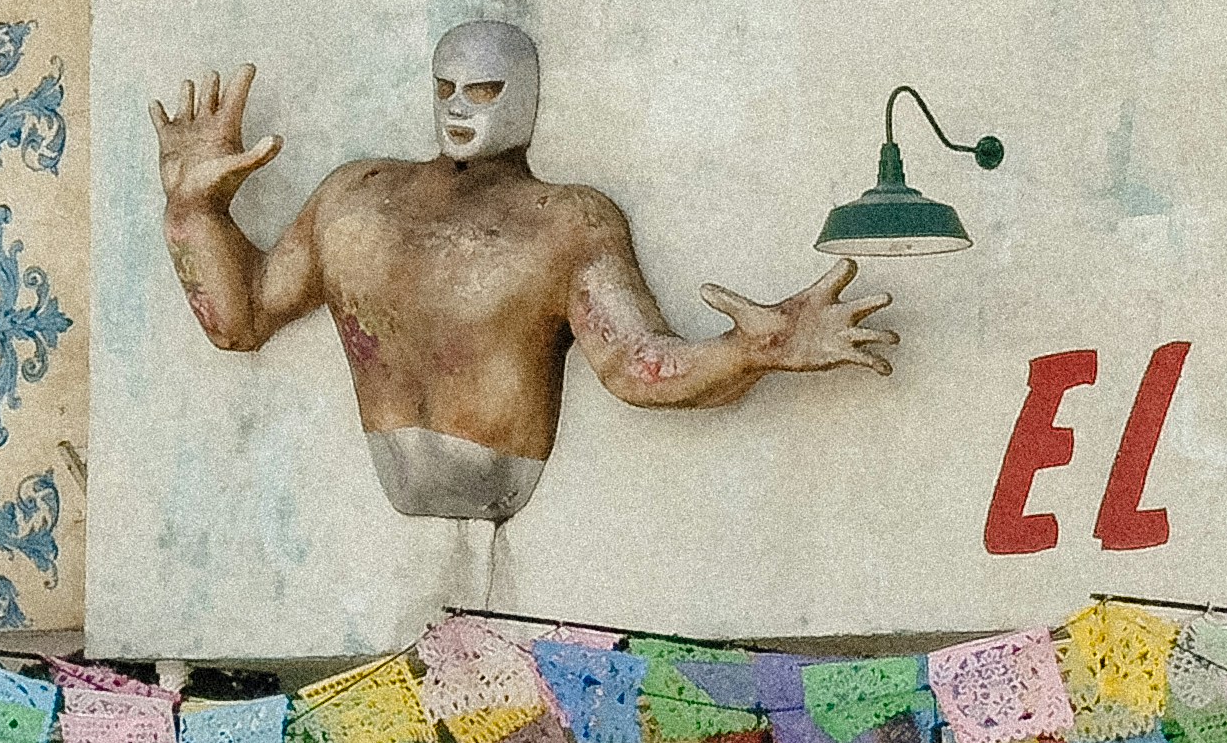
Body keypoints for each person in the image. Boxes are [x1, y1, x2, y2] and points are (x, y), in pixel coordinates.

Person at [150, 28, 896, 525]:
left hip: (504, 496)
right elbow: (240, 318)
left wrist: (753, 351)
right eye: (446, 88)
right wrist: (192, 209)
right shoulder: (355, 196)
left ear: (528, 96)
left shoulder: (565, 221)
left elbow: (635, 365)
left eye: (483, 91)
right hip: (393, 517)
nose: (458, 108)